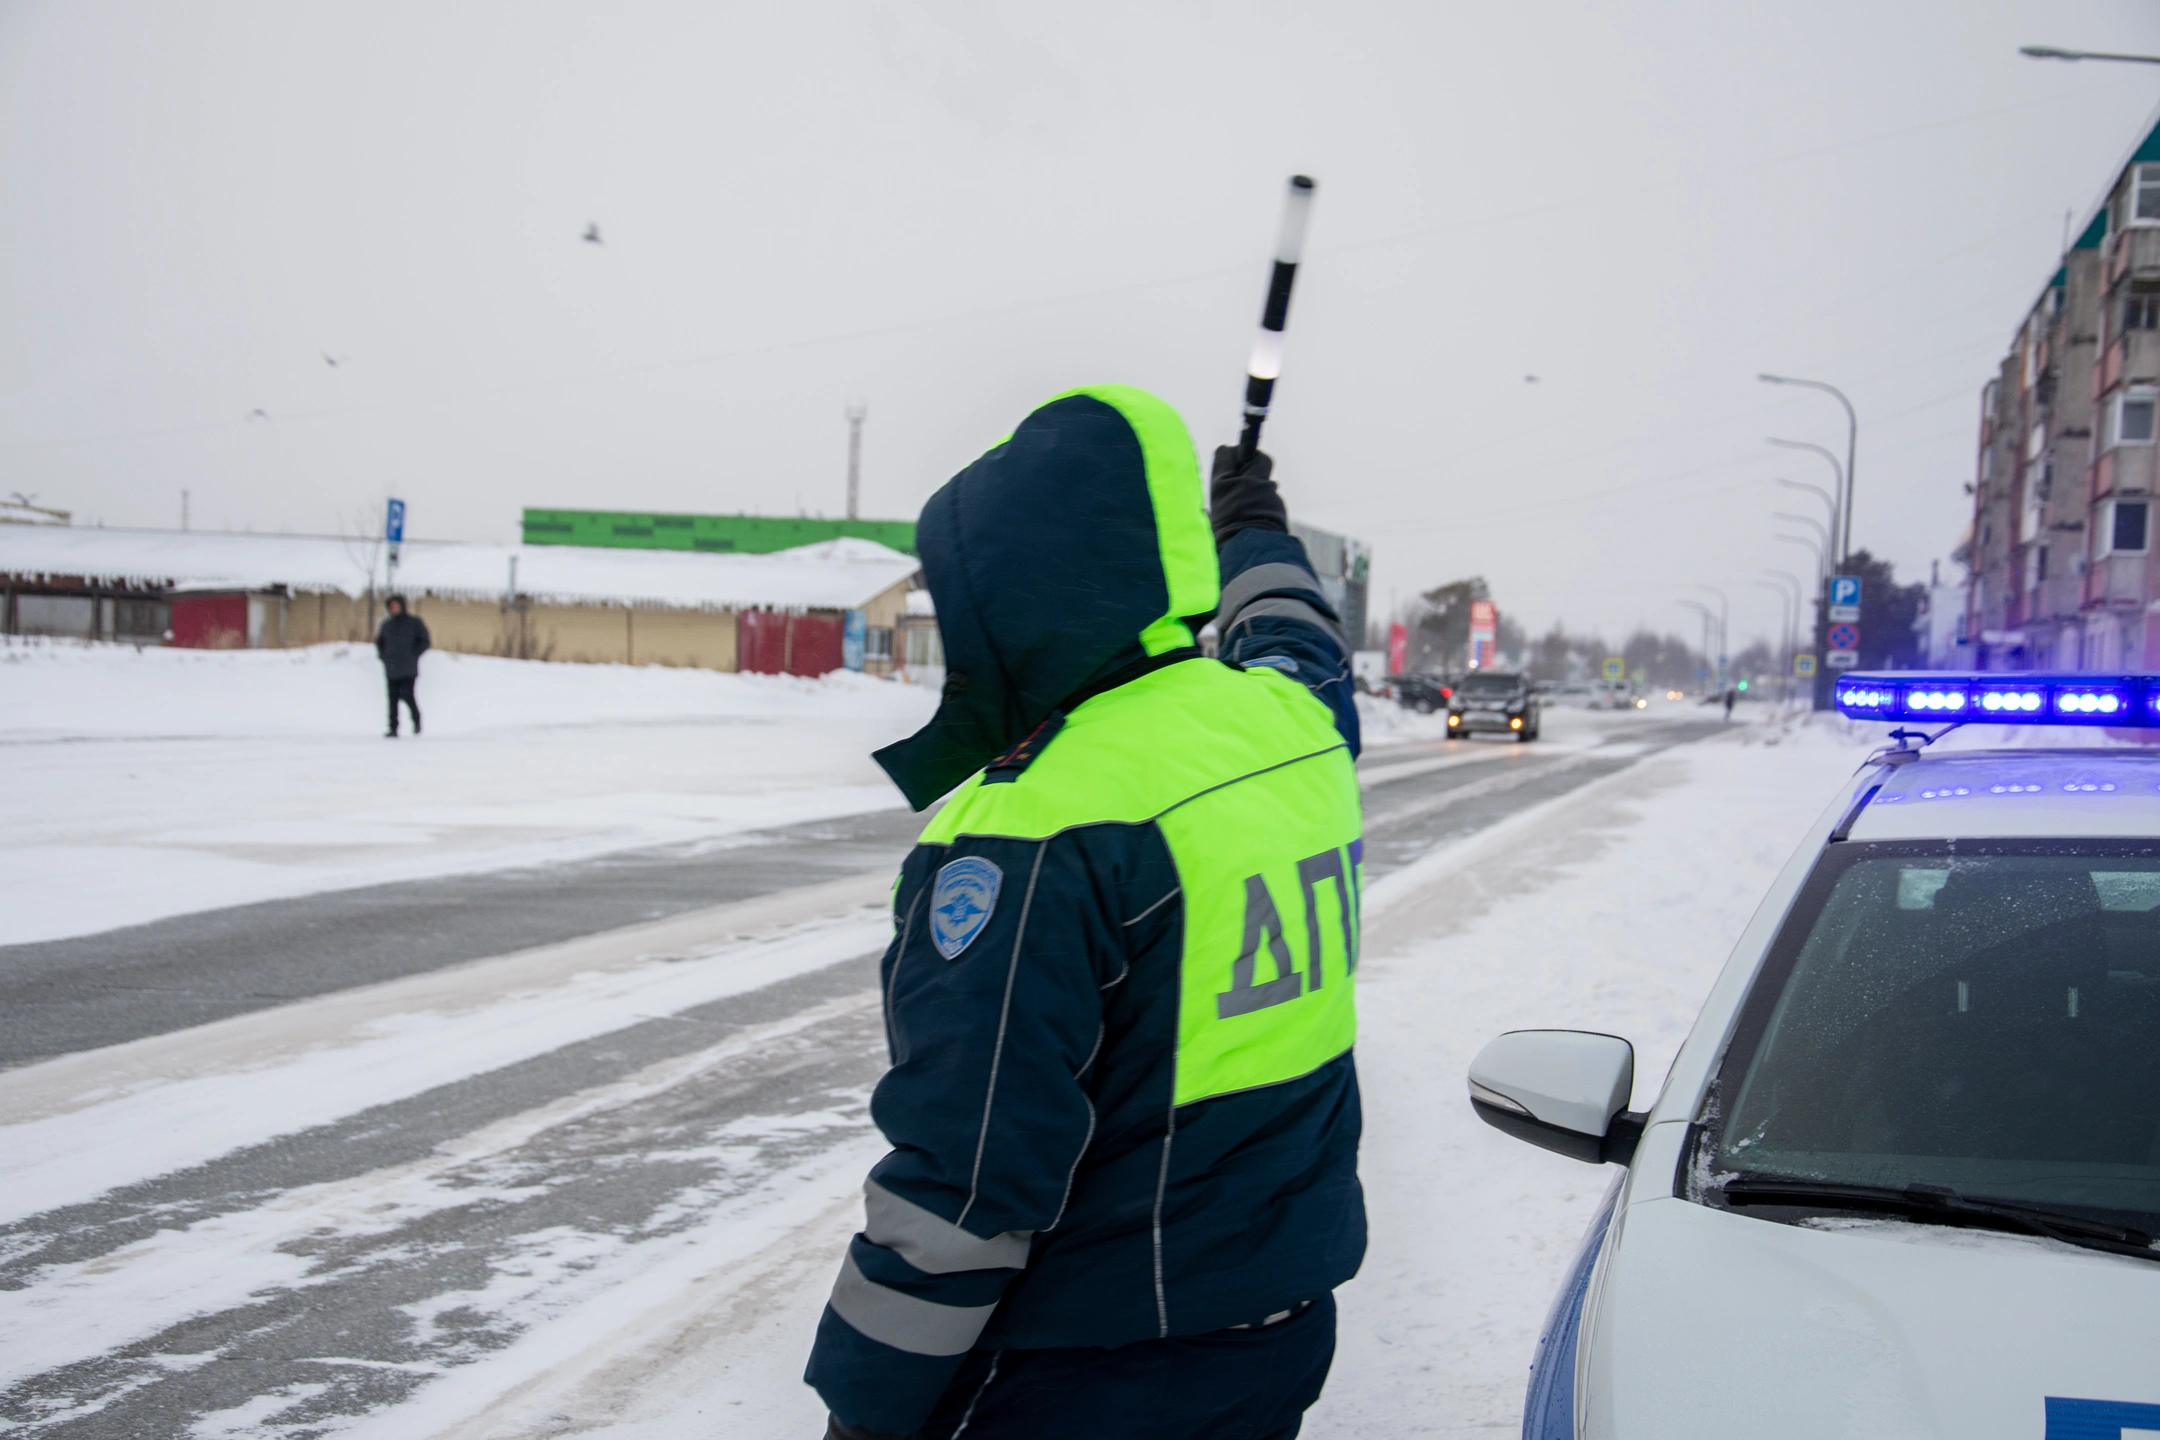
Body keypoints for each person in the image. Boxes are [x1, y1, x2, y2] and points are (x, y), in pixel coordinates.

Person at [804, 386, 1364, 1440]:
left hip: (1094, 1370)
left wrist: (867, 1409)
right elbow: (1294, 629)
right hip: (1278, 1328)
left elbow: (967, 1179)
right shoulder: (1294, 725)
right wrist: (1252, 524)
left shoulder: (1032, 829)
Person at [375, 595, 430, 737]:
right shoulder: (387, 625)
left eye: (396, 605)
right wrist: (384, 656)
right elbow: (379, 643)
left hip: (408, 668)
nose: (393, 608)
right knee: (392, 698)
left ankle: (416, 720)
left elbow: (424, 641)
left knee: (407, 695)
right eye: (391, 606)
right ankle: (393, 728)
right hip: (391, 667)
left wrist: (413, 655)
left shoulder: (413, 623)